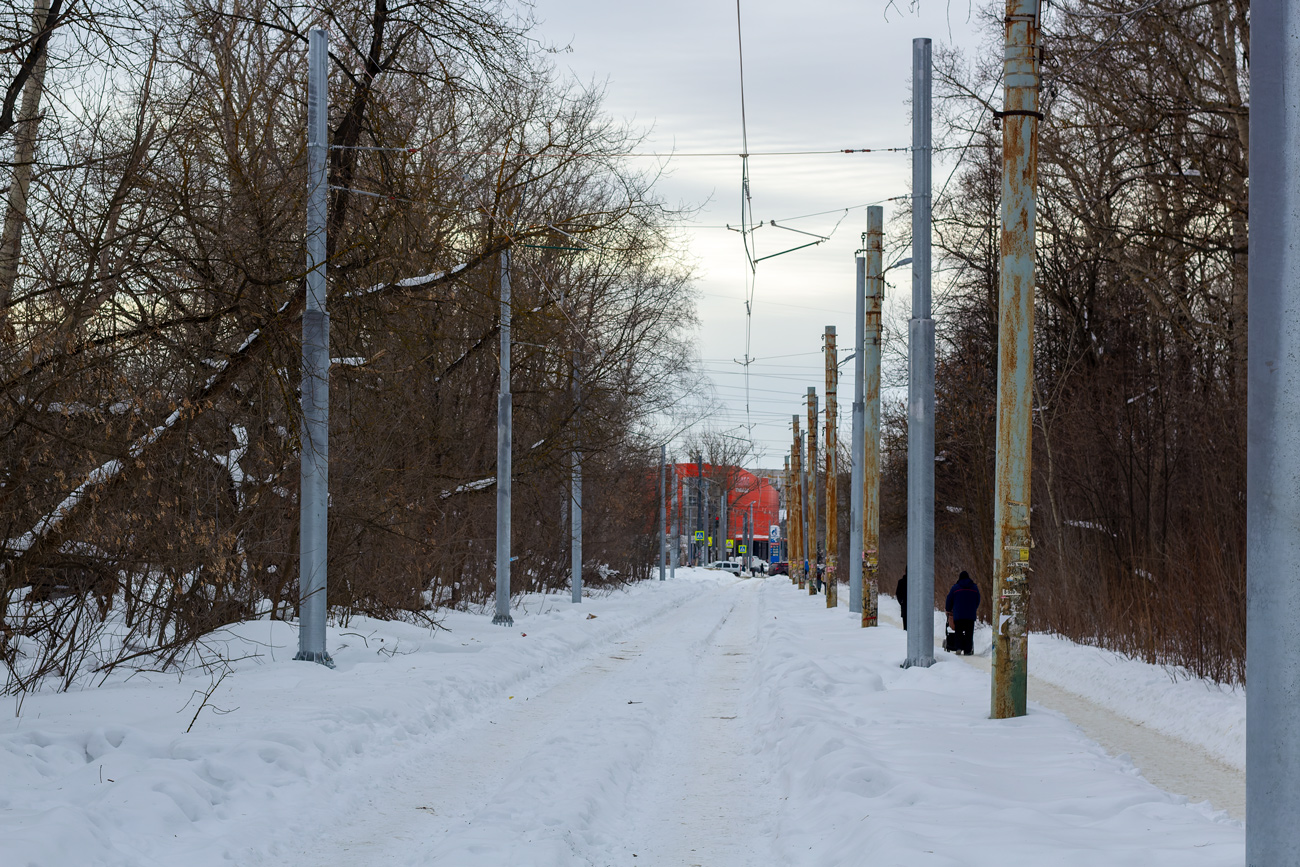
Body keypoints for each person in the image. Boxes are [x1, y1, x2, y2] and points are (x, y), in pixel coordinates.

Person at [945, 570, 980, 655]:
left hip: (959, 615)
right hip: (970, 615)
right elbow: (978, 600)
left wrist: (948, 609)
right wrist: (973, 608)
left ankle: (959, 647)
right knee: (969, 632)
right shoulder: (974, 588)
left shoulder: (955, 588)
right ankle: (968, 650)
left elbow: (949, 599)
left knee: (959, 632)